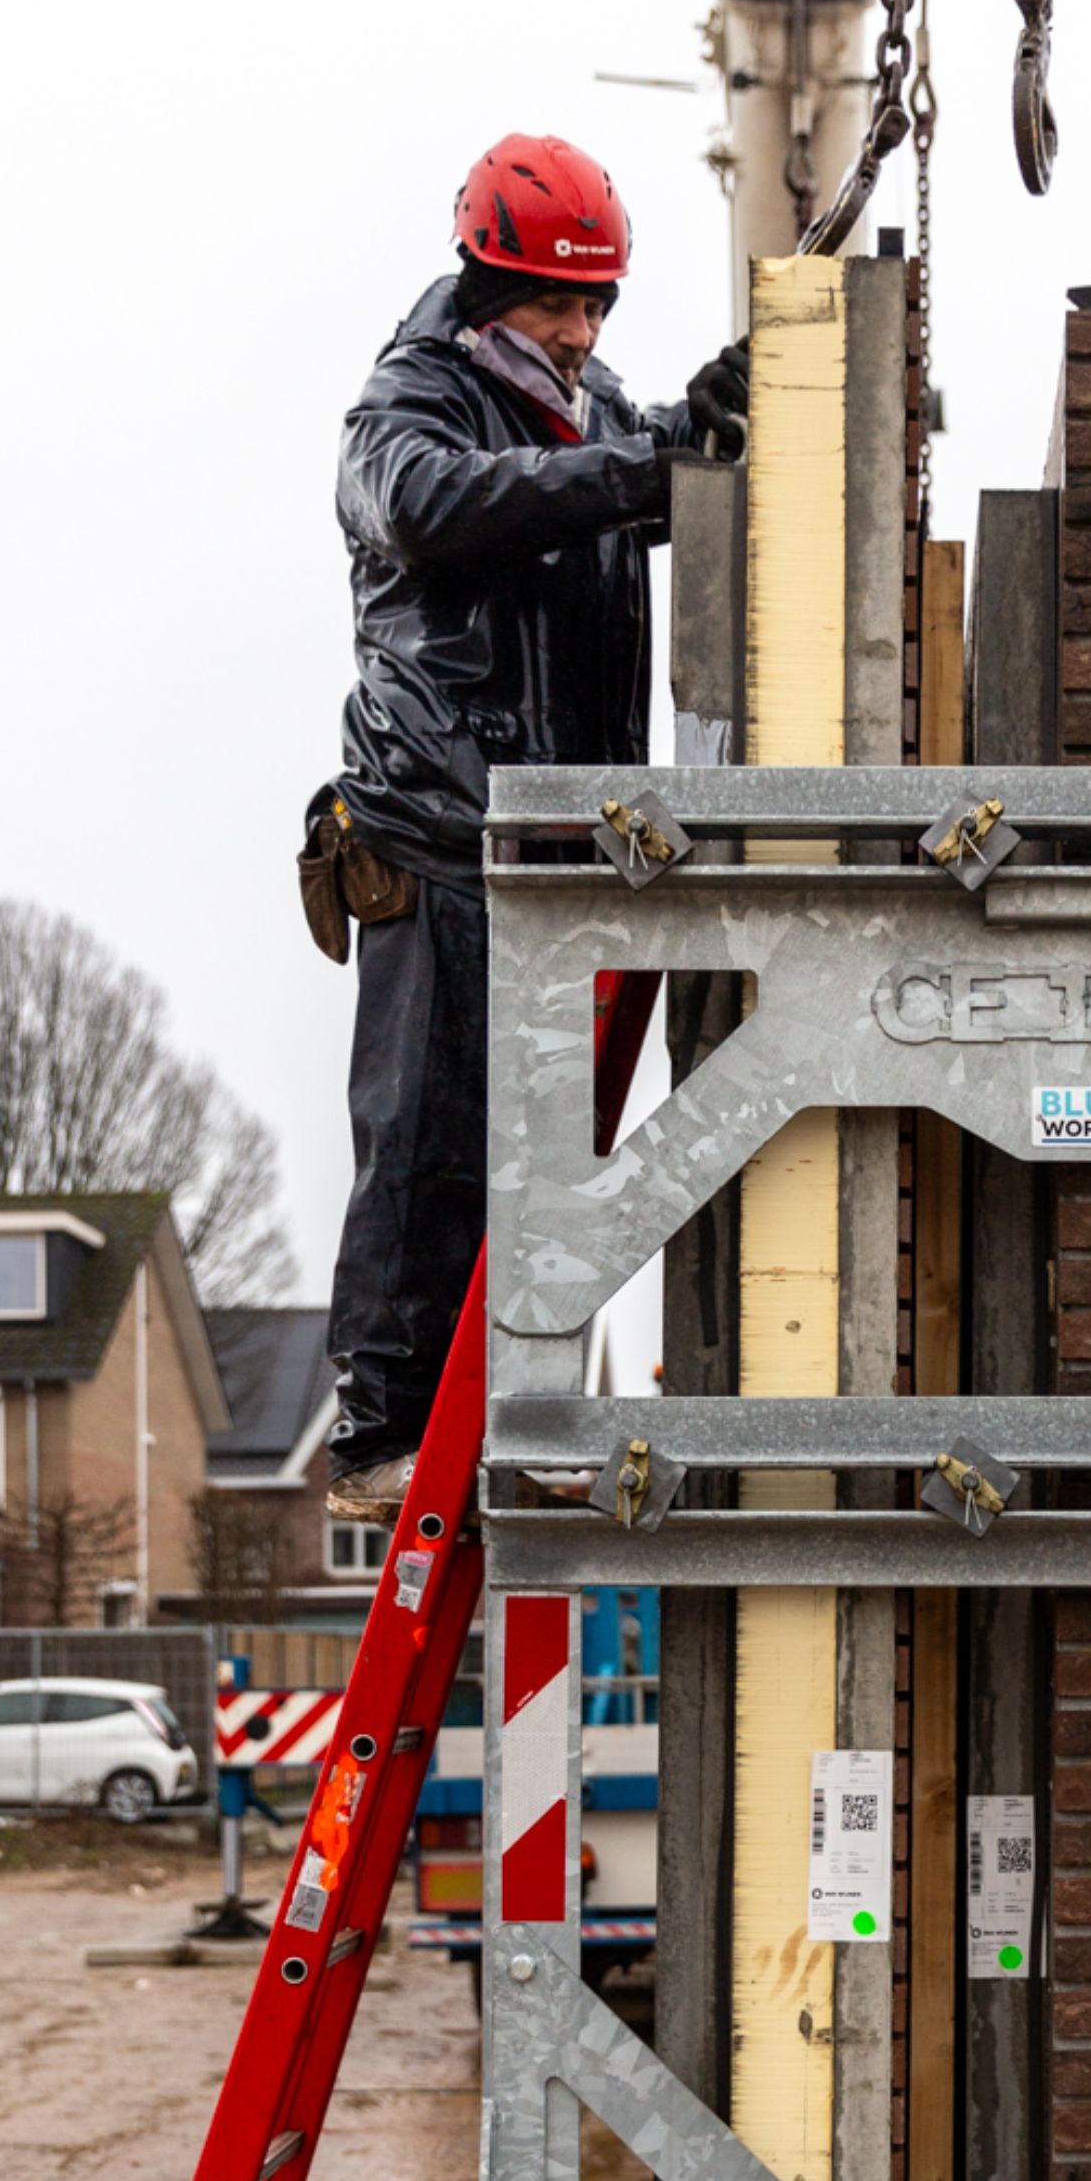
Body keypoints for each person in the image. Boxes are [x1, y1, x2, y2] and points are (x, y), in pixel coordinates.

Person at [308, 134, 750, 1520]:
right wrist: (648, 460)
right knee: (425, 1137)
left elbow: (615, 492)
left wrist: (712, 433)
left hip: (558, 848)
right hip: (439, 826)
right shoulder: (407, 407)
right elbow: (443, 509)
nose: (579, 330)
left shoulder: (593, 402)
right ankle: (382, 1430)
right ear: (486, 284)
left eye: (598, 304)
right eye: (557, 305)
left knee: (538, 1155)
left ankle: (510, 1402)